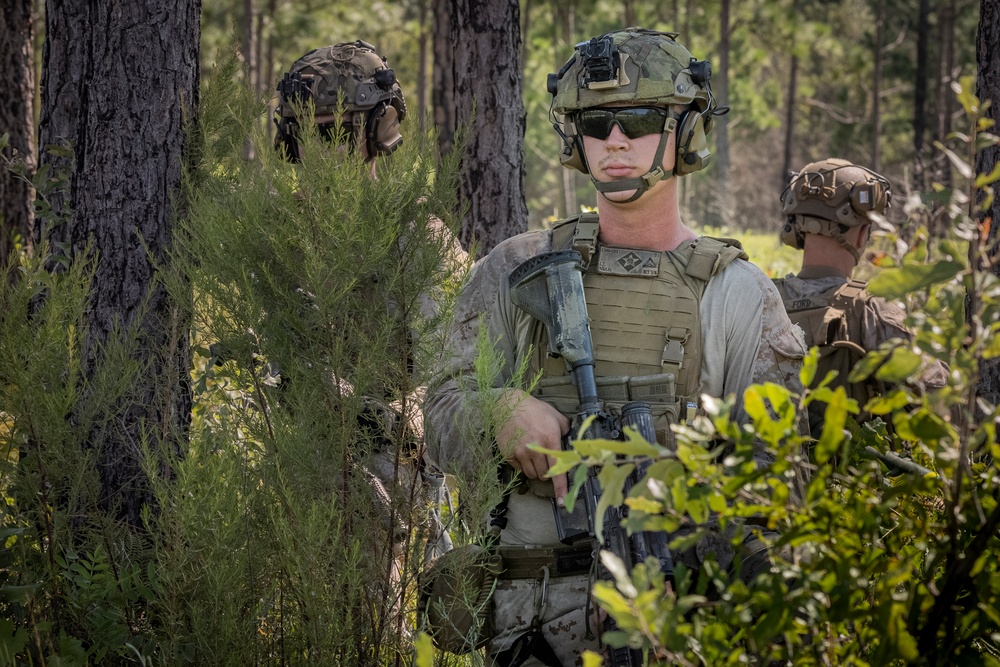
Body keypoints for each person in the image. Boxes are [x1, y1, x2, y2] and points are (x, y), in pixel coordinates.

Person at [424, 27, 806, 667]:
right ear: (575, 138)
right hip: (532, 628)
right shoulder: (516, 269)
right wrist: (498, 411)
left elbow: (779, 492)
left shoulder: (739, 295)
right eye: (597, 122)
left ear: (685, 132)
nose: (616, 141)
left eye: (638, 118)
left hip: (680, 628)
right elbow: (441, 412)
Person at [272, 39, 462, 623]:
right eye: (302, 137)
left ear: (379, 131)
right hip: (300, 474)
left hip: (392, 482)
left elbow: (449, 388)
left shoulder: (418, 242)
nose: (315, 154)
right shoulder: (282, 243)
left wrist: (371, 414)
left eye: (331, 135)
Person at [772, 158, 948, 438]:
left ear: (795, 230)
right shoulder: (875, 313)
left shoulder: (758, 301)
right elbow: (942, 406)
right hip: (852, 476)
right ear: (863, 234)